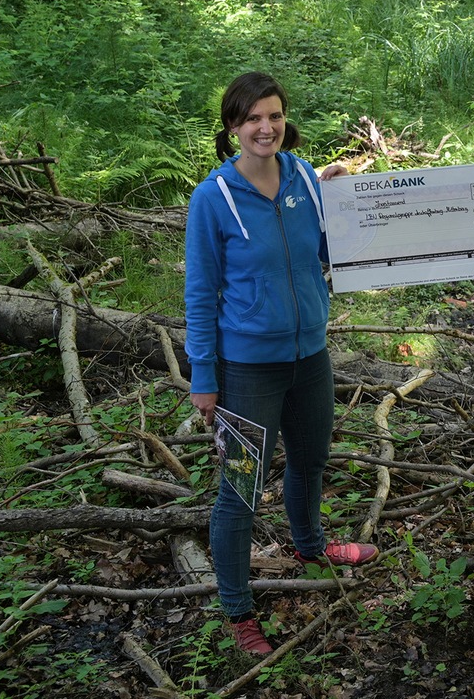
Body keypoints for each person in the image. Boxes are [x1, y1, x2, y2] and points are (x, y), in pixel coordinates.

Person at [185, 72, 378, 655]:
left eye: (273, 115)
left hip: (310, 356)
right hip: (248, 368)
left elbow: (327, 251)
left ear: (283, 119)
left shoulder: (302, 178)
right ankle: (239, 610)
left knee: (311, 459)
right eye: (251, 119)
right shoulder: (212, 199)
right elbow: (199, 292)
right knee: (239, 490)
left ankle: (309, 545)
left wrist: (347, 203)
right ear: (233, 128)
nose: (264, 128)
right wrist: (204, 375)